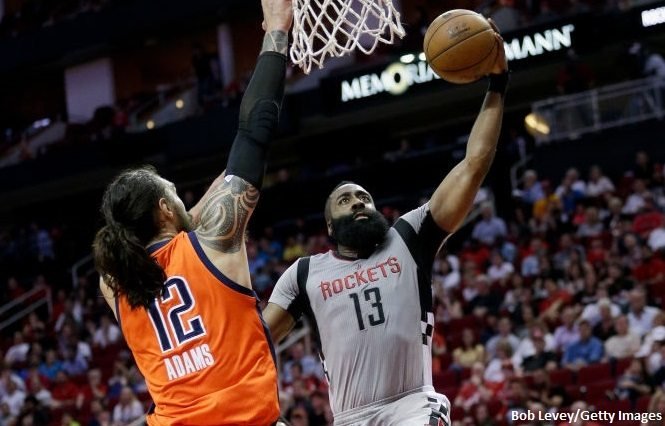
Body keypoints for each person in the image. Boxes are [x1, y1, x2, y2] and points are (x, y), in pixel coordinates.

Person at [263, 20, 509, 426]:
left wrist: (497, 84)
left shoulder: (410, 236)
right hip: (350, 417)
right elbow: (257, 341)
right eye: (345, 200)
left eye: (364, 197)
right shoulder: (304, 274)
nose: (358, 203)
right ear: (330, 227)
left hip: (412, 404)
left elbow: (473, 165)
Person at [91, 0, 292, 424]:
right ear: (166, 208)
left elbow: (165, 238)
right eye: (176, 195)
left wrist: (186, 212)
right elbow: (254, 132)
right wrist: (277, 27)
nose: (188, 203)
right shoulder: (214, 240)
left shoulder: (114, 283)